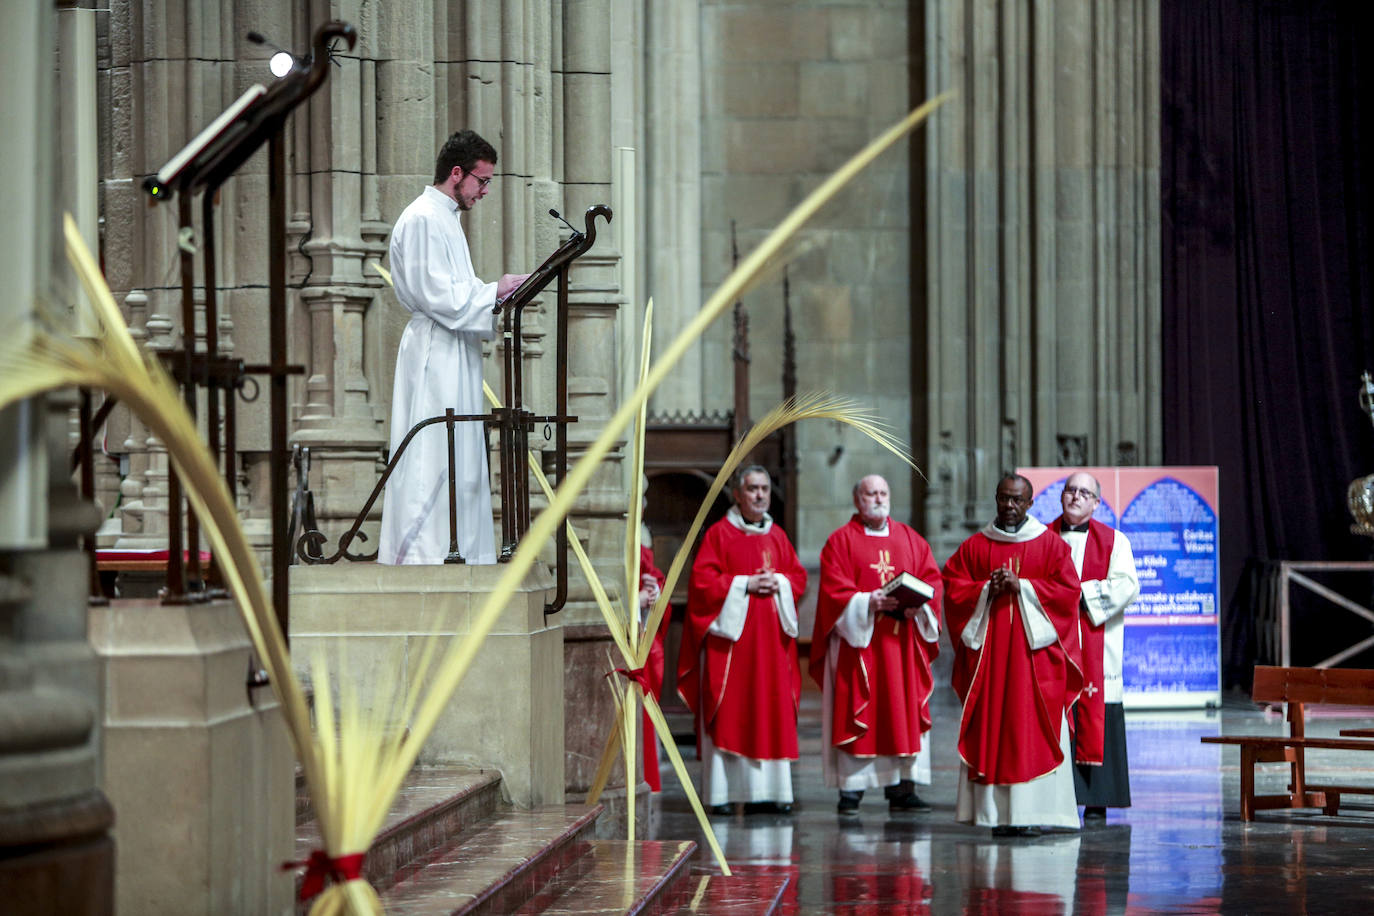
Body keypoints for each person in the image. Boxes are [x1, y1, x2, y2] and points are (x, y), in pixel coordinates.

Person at [378, 129, 529, 565]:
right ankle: (427, 557)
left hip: (454, 348)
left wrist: (492, 292)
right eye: (481, 181)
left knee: (461, 456)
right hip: (435, 352)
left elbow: (453, 290)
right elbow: (435, 293)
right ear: (457, 173)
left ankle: (463, 551)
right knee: (433, 458)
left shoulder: (446, 217)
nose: (484, 192)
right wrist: (493, 291)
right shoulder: (424, 216)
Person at [942, 474, 1084, 837]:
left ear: (1030, 503)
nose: (1009, 506)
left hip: (1034, 664)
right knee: (992, 728)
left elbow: (1068, 593)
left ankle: (1030, 813)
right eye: (1004, 498)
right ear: (995, 498)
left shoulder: (1050, 546)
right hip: (990, 663)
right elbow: (954, 589)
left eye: (1017, 500)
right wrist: (985, 589)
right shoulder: (975, 547)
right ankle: (994, 816)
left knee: (1031, 728)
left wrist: (1023, 587)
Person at [809, 474, 943, 816]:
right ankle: (851, 792)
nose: (879, 499)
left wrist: (920, 605)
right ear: (858, 500)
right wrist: (867, 603)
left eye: (883, 492)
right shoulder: (840, 541)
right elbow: (832, 593)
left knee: (902, 711)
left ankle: (902, 788)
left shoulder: (911, 539)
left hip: (901, 647)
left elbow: (932, 581)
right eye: (871, 493)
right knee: (861, 711)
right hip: (861, 648)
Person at [677, 465, 808, 815]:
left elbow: (797, 577)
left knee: (771, 711)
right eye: (752, 489)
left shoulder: (777, 536)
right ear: (737, 494)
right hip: (732, 648)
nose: (760, 495)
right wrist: (745, 584)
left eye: (765, 488)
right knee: (732, 713)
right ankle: (722, 795)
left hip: (772, 647)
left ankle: (771, 794)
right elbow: (702, 584)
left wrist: (778, 581)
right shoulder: (719, 535)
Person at [1050, 471, 1140, 821]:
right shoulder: (1042, 537)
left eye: (1084, 492)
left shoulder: (1114, 541)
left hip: (1095, 648)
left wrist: (1078, 594)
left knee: (1095, 711)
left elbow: (1127, 585)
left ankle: (1097, 797)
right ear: (1062, 496)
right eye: (1070, 490)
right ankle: (1053, 795)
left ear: (1096, 502)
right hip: (1052, 644)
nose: (1076, 496)